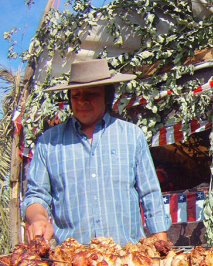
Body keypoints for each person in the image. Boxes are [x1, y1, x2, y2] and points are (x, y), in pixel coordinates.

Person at [21, 59, 171, 246]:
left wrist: (161, 247)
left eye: (91, 94)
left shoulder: (131, 136)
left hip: (127, 259)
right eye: (76, 95)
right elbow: (36, 195)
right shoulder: (49, 143)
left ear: (107, 97)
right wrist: (38, 219)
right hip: (73, 262)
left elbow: (150, 194)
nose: (82, 101)